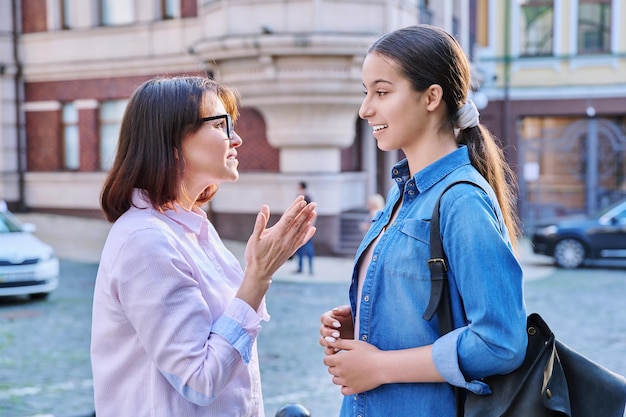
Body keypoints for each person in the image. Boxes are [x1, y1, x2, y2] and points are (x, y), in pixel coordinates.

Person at [319, 24, 527, 416]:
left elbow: (501, 341)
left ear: (431, 97)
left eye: (381, 92)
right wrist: (367, 323)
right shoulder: (402, 190)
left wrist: (378, 366)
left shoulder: (462, 200)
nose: (366, 109)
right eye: (366, 93)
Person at [91, 75, 317, 417]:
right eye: (221, 124)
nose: (237, 138)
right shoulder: (146, 240)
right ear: (171, 138)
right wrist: (257, 278)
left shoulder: (192, 225)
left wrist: (257, 273)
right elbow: (200, 380)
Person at [294, 181, 315, 274]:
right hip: (301, 226)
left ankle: (309, 268)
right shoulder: (302, 197)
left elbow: (312, 212)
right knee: (300, 247)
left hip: (305, 226)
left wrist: (310, 224)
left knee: (307, 246)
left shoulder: (306, 198)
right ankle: (301, 267)